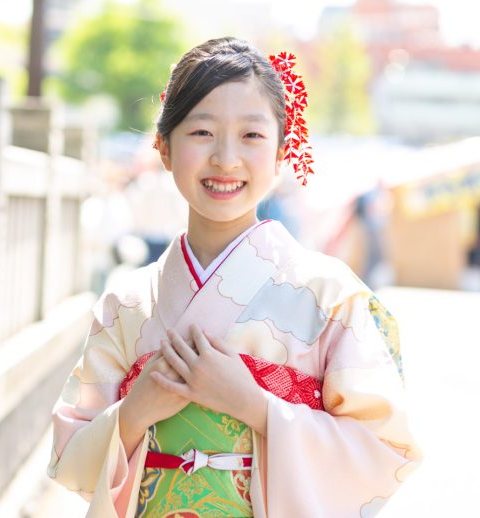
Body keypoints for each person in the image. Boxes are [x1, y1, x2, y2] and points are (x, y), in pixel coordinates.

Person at [48, 37, 420, 517]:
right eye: (201, 132)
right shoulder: (126, 302)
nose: (226, 159)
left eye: (251, 135)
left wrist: (254, 406)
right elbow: (69, 456)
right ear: (163, 146)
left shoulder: (333, 297)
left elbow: (386, 451)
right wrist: (135, 411)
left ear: (283, 151)